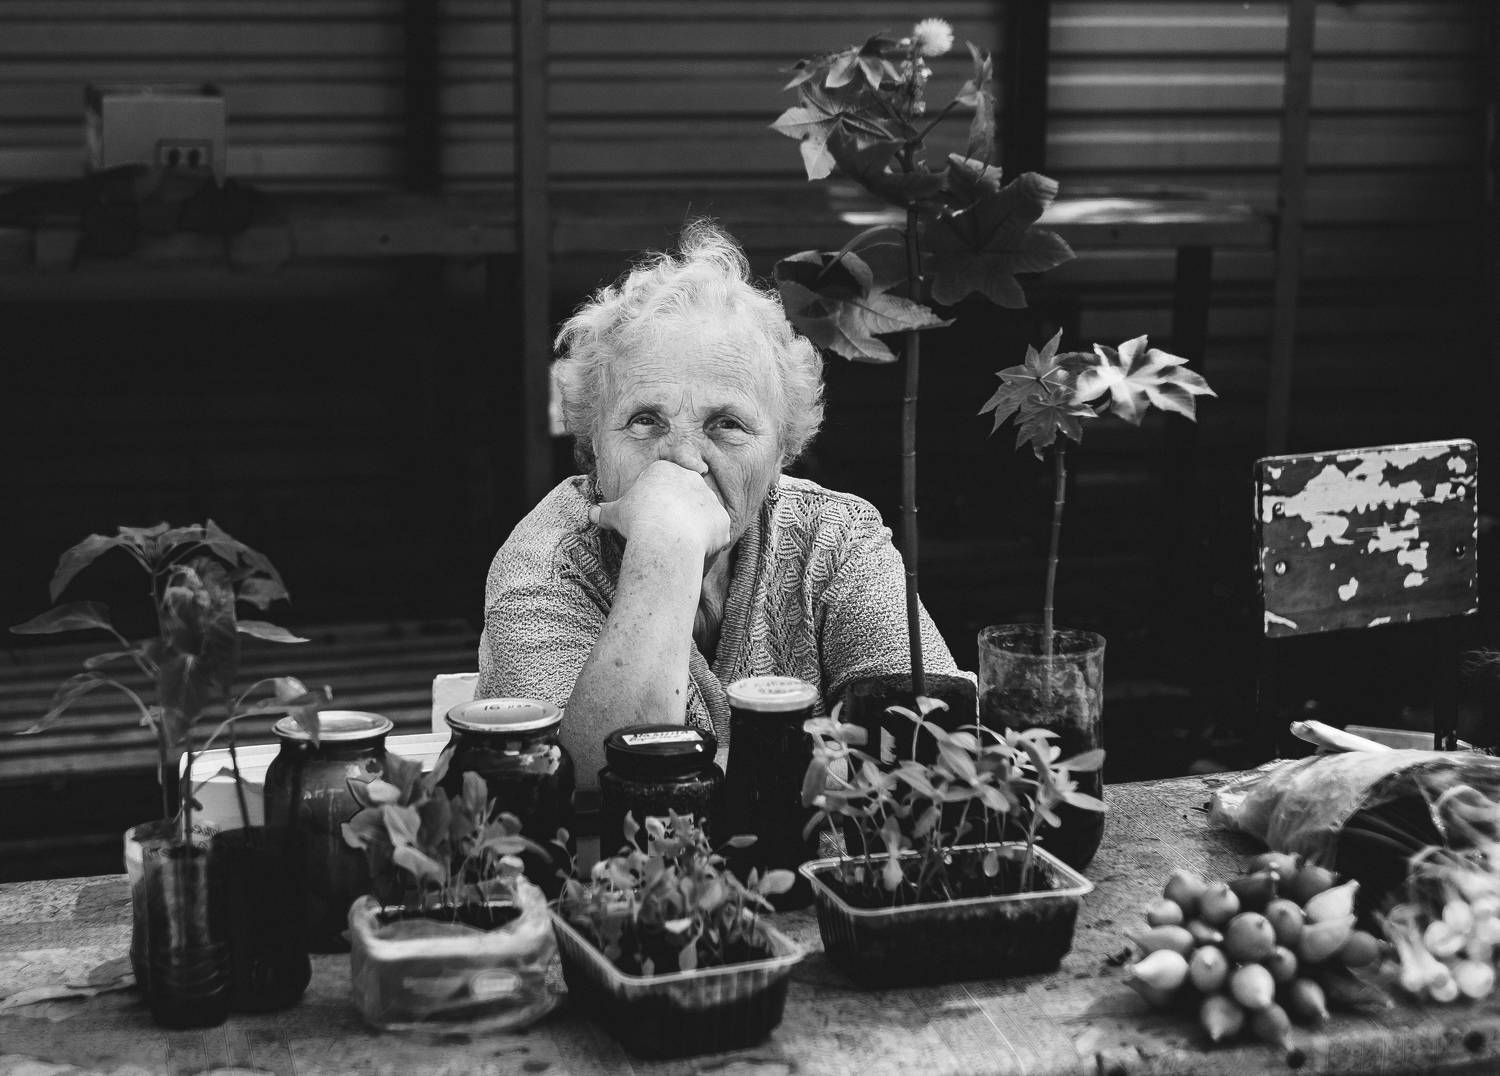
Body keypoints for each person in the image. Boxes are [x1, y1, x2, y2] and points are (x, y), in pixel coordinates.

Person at [476, 220, 961, 780]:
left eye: (727, 424)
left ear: (783, 450)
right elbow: (590, 788)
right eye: (644, 420)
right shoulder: (546, 563)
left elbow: (930, 748)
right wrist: (667, 547)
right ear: (593, 444)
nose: (684, 459)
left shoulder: (839, 538)